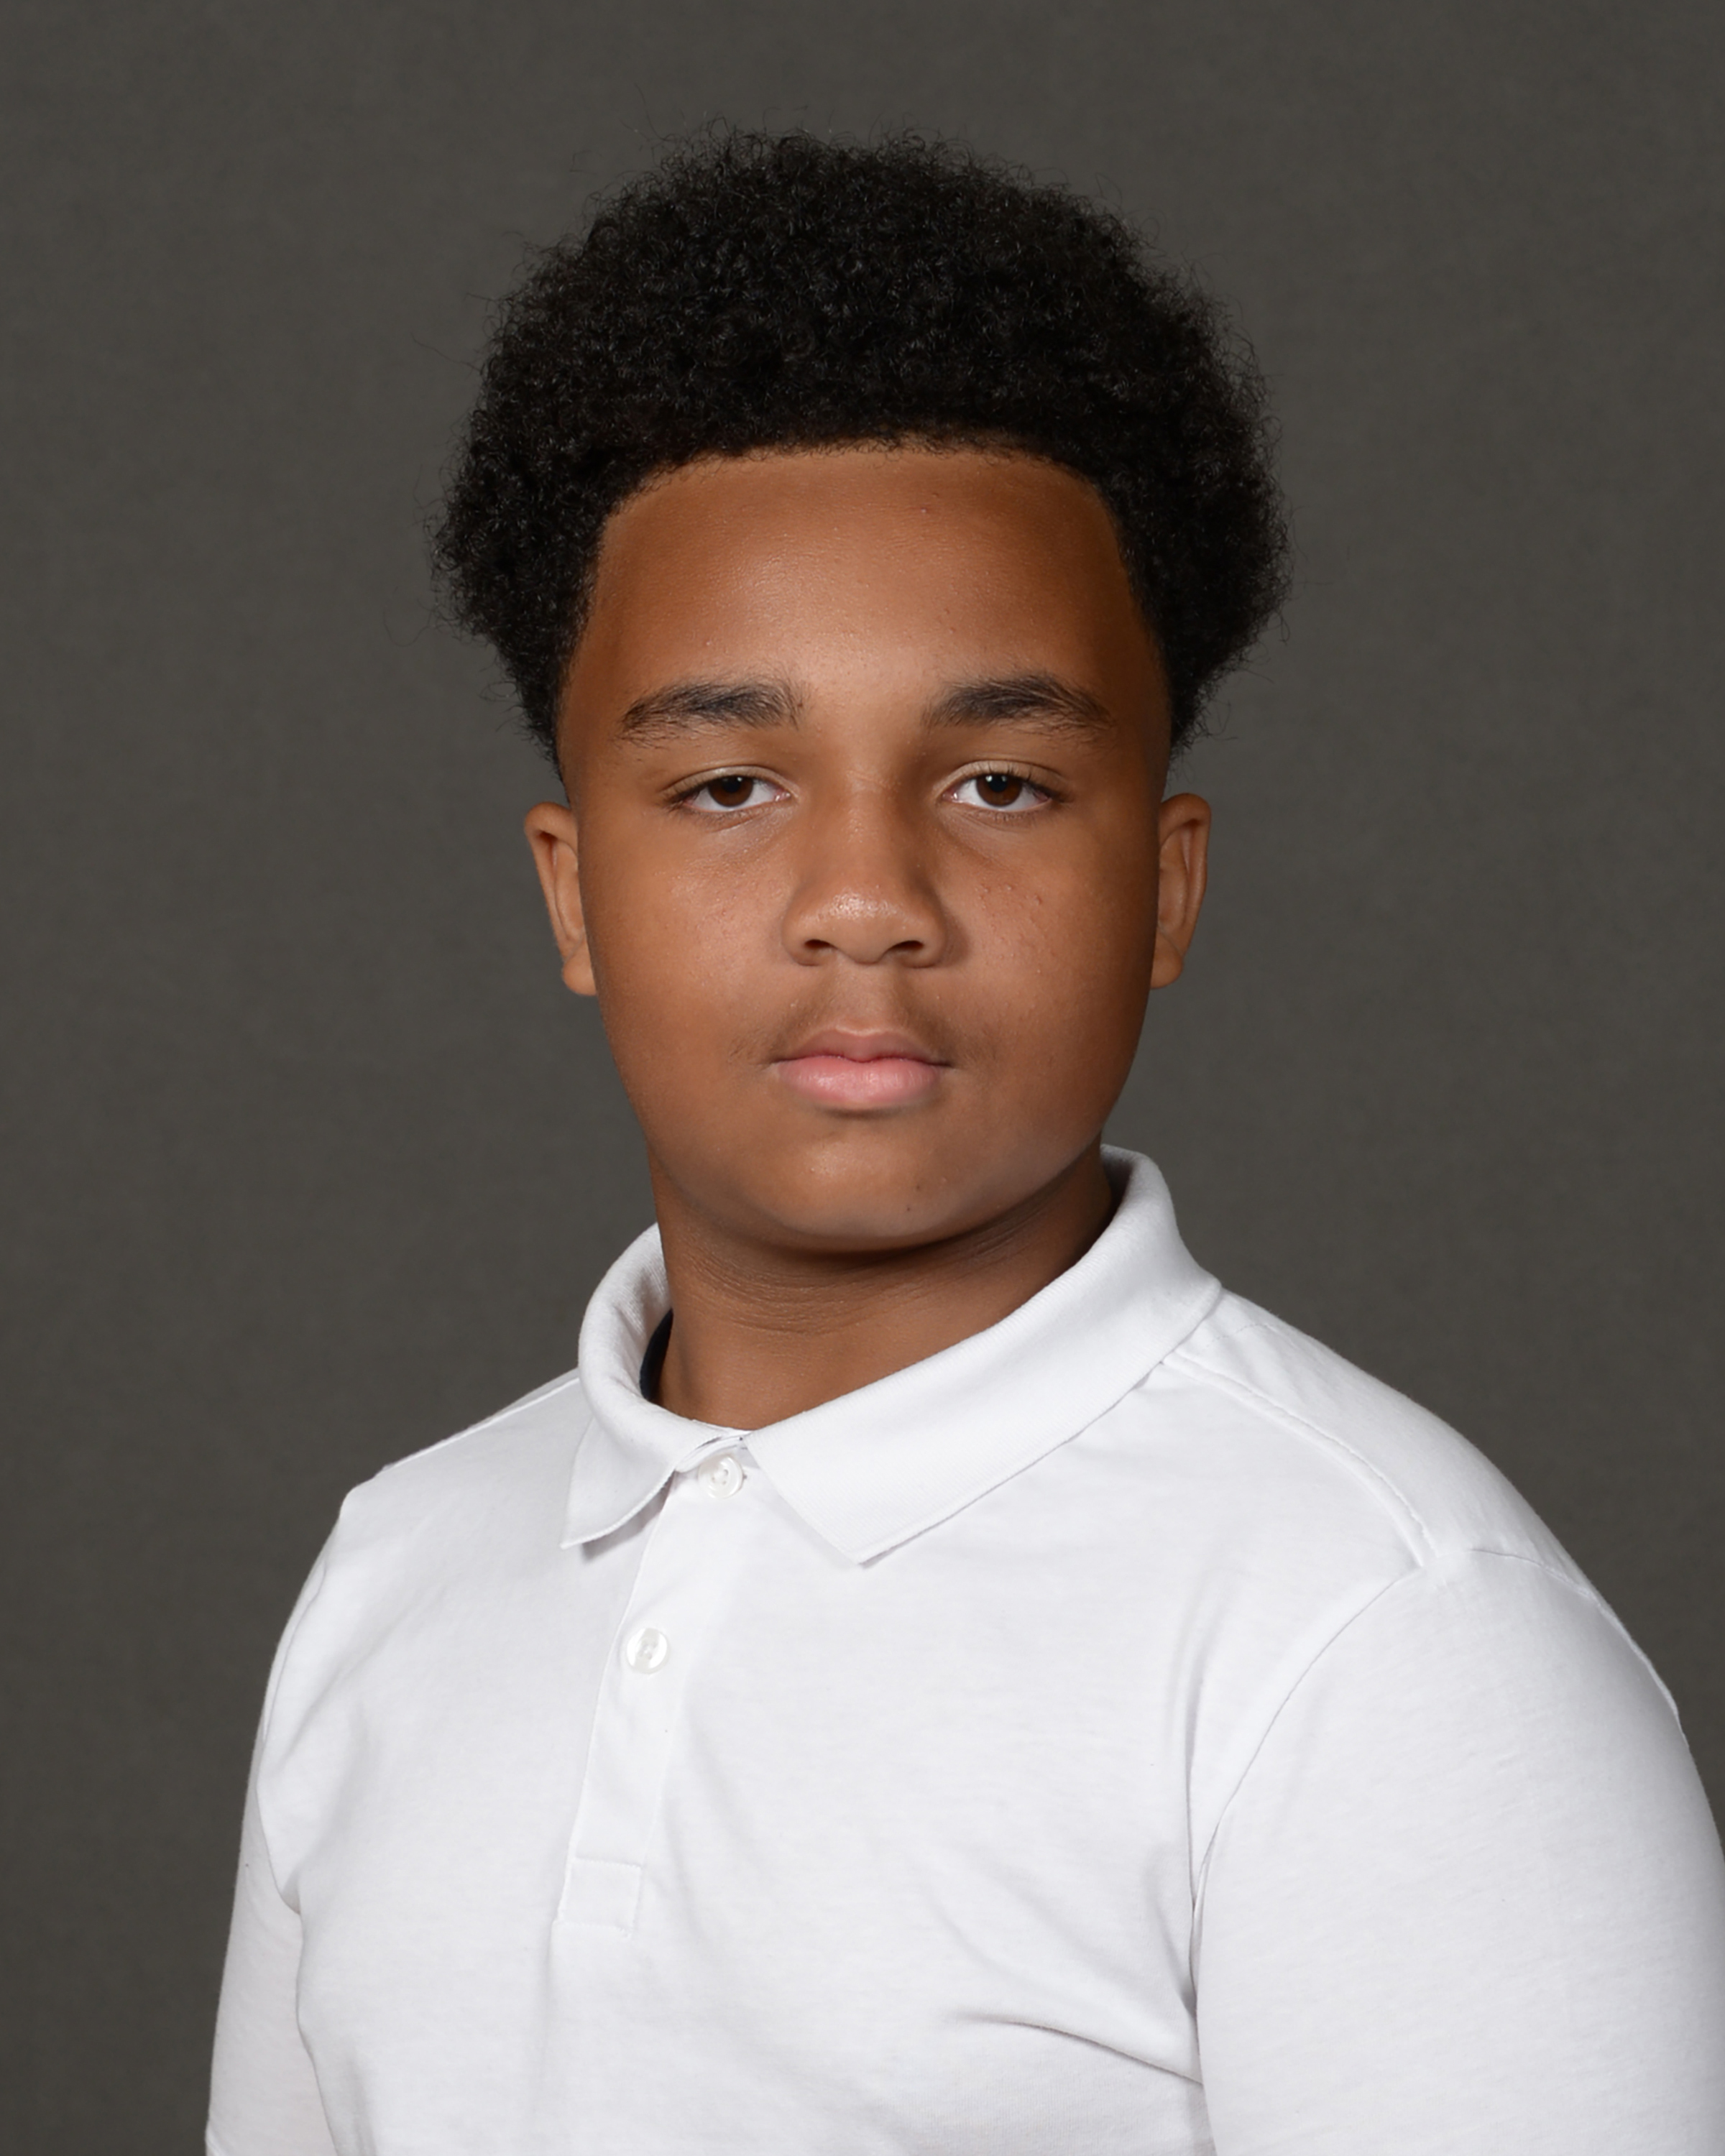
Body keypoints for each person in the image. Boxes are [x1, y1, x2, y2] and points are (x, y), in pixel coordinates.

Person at [206, 130, 1725, 2155]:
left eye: (1001, 783)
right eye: (731, 787)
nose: (867, 900)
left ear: (1166, 887)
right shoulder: (400, 1575)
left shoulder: (1392, 1646)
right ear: (571, 893)